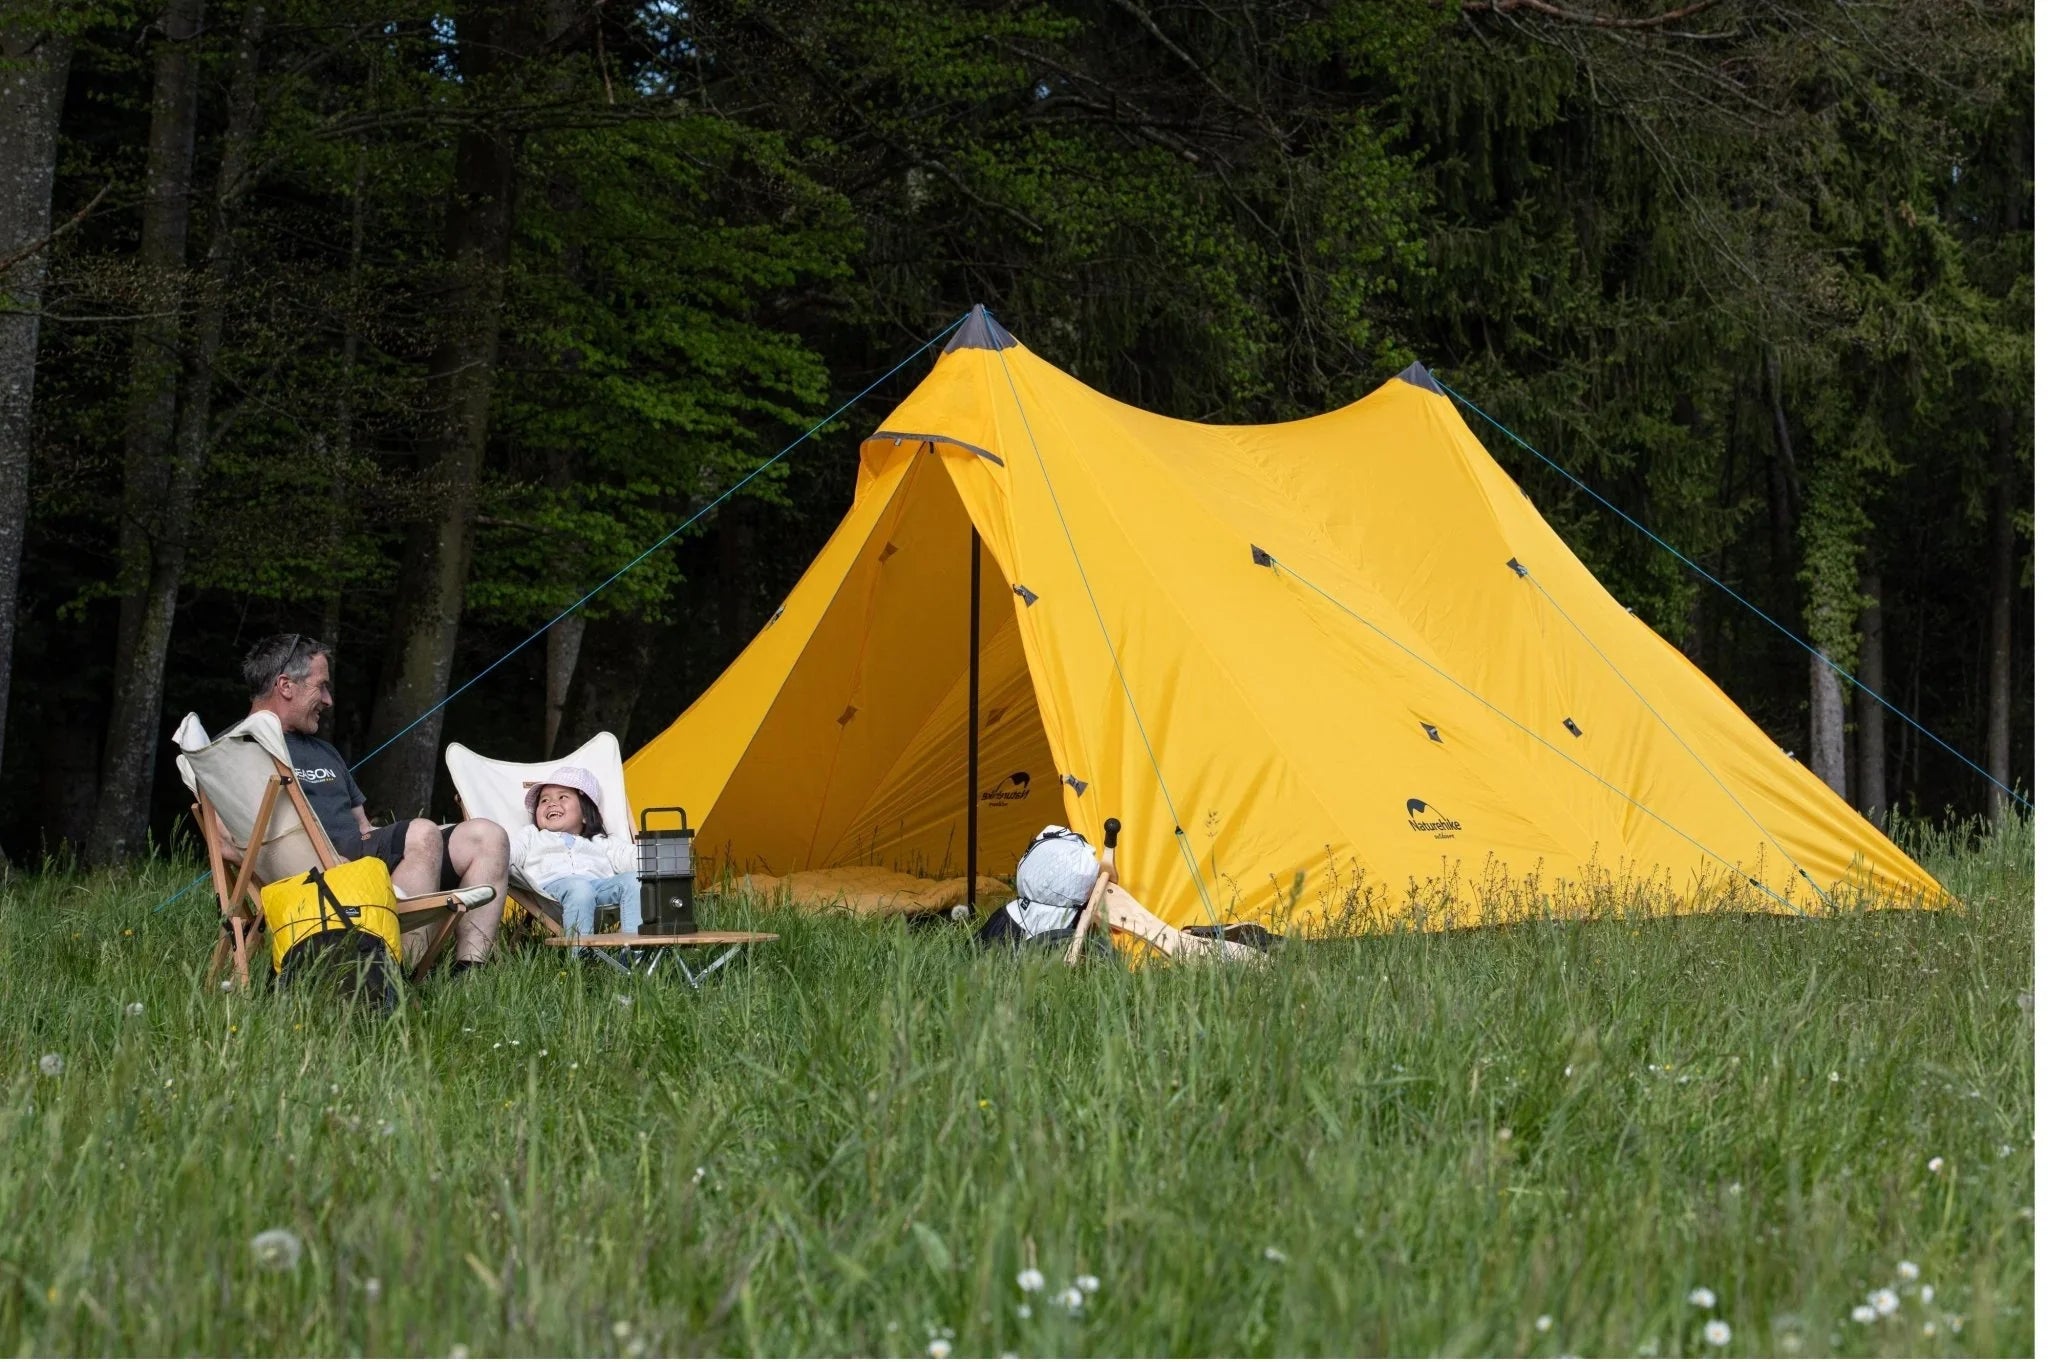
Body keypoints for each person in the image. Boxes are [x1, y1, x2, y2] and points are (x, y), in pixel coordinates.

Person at [242, 632, 509, 974]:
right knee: (422, 833)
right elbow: (228, 840)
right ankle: (397, 975)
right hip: (312, 871)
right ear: (285, 686)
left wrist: (406, 849)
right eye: (321, 687)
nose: (328, 700)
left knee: (487, 836)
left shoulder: (324, 751)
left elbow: (364, 826)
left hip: (358, 860)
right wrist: (316, 858)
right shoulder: (240, 751)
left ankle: (469, 971)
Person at [510, 764, 641, 947]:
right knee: (580, 888)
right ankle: (580, 957)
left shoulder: (600, 841)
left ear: (585, 815)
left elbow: (631, 857)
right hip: (551, 896)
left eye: (562, 797)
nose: (552, 803)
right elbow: (510, 854)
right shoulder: (532, 835)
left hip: (599, 892)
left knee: (635, 880)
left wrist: (659, 855)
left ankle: (636, 951)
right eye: (544, 800)